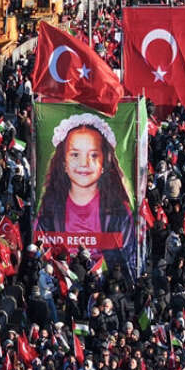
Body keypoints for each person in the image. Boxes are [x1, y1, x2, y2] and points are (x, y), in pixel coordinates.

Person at [34, 113, 136, 277]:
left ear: (104, 162)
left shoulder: (119, 212)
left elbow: (129, 259)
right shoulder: (49, 210)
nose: (84, 163)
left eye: (93, 155)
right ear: (63, 162)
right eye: (75, 154)